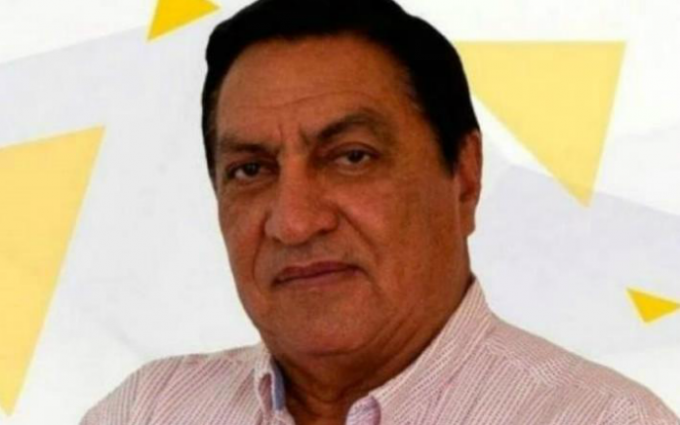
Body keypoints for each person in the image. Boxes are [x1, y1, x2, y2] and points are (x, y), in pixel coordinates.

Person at [81, 0, 679, 423]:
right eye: (252, 170)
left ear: (465, 175)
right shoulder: (150, 410)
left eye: (351, 157)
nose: (294, 221)